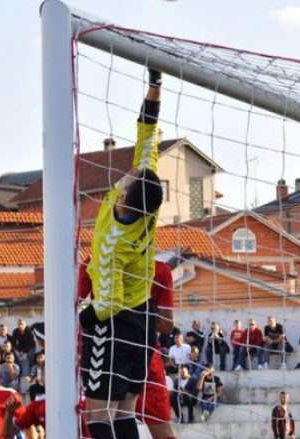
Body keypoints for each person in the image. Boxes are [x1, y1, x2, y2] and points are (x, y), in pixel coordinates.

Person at [80, 68, 164, 439]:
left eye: (130, 177)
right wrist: (155, 86)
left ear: (126, 195)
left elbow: (109, 301)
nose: (130, 170)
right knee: (125, 411)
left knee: (98, 414)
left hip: (115, 320)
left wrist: (83, 316)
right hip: (143, 316)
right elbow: (148, 133)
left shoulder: (114, 241)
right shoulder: (148, 206)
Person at [79, 256, 178, 439]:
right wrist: (142, 315)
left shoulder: (96, 258)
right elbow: (166, 325)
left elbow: (73, 302)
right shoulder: (160, 267)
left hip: (107, 343)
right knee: (132, 418)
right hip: (146, 352)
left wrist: (85, 320)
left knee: (98, 416)